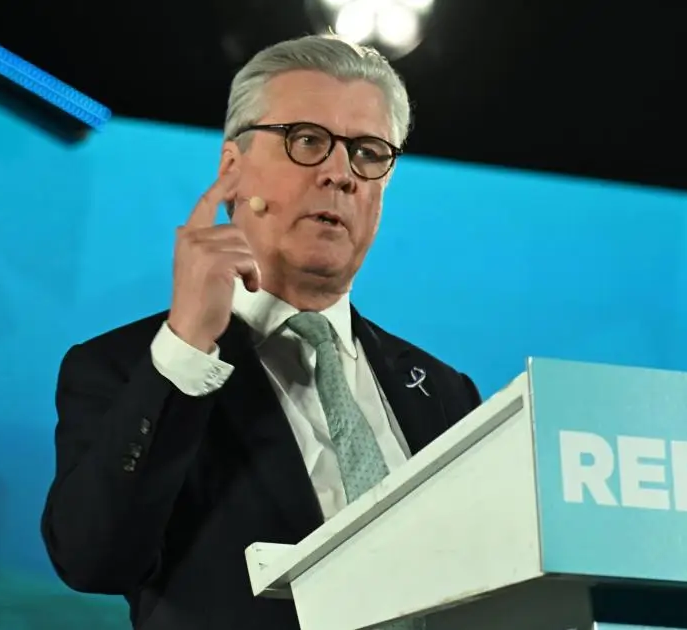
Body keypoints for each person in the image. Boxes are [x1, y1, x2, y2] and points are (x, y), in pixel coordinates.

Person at [39, 34, 482, 630]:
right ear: (232, 168)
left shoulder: (447, 394)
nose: (341, 175)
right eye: (307, 141)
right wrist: (187, 347)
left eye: (368, 152)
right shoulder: (122, 370)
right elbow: (92, 559)